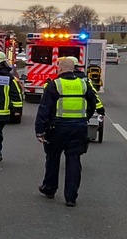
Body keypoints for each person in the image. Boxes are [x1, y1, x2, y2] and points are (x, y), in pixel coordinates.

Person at [36, 57, 98, 207]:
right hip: (78, 128)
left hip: (57, 128)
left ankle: (50, 188)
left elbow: (44, 109)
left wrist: (40, 131)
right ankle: (71, 197)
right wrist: (84, 118)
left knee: (53, 158)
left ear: (60, 68)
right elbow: (93, 103)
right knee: (74, 160)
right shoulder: (83, 84)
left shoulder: (54, 85)